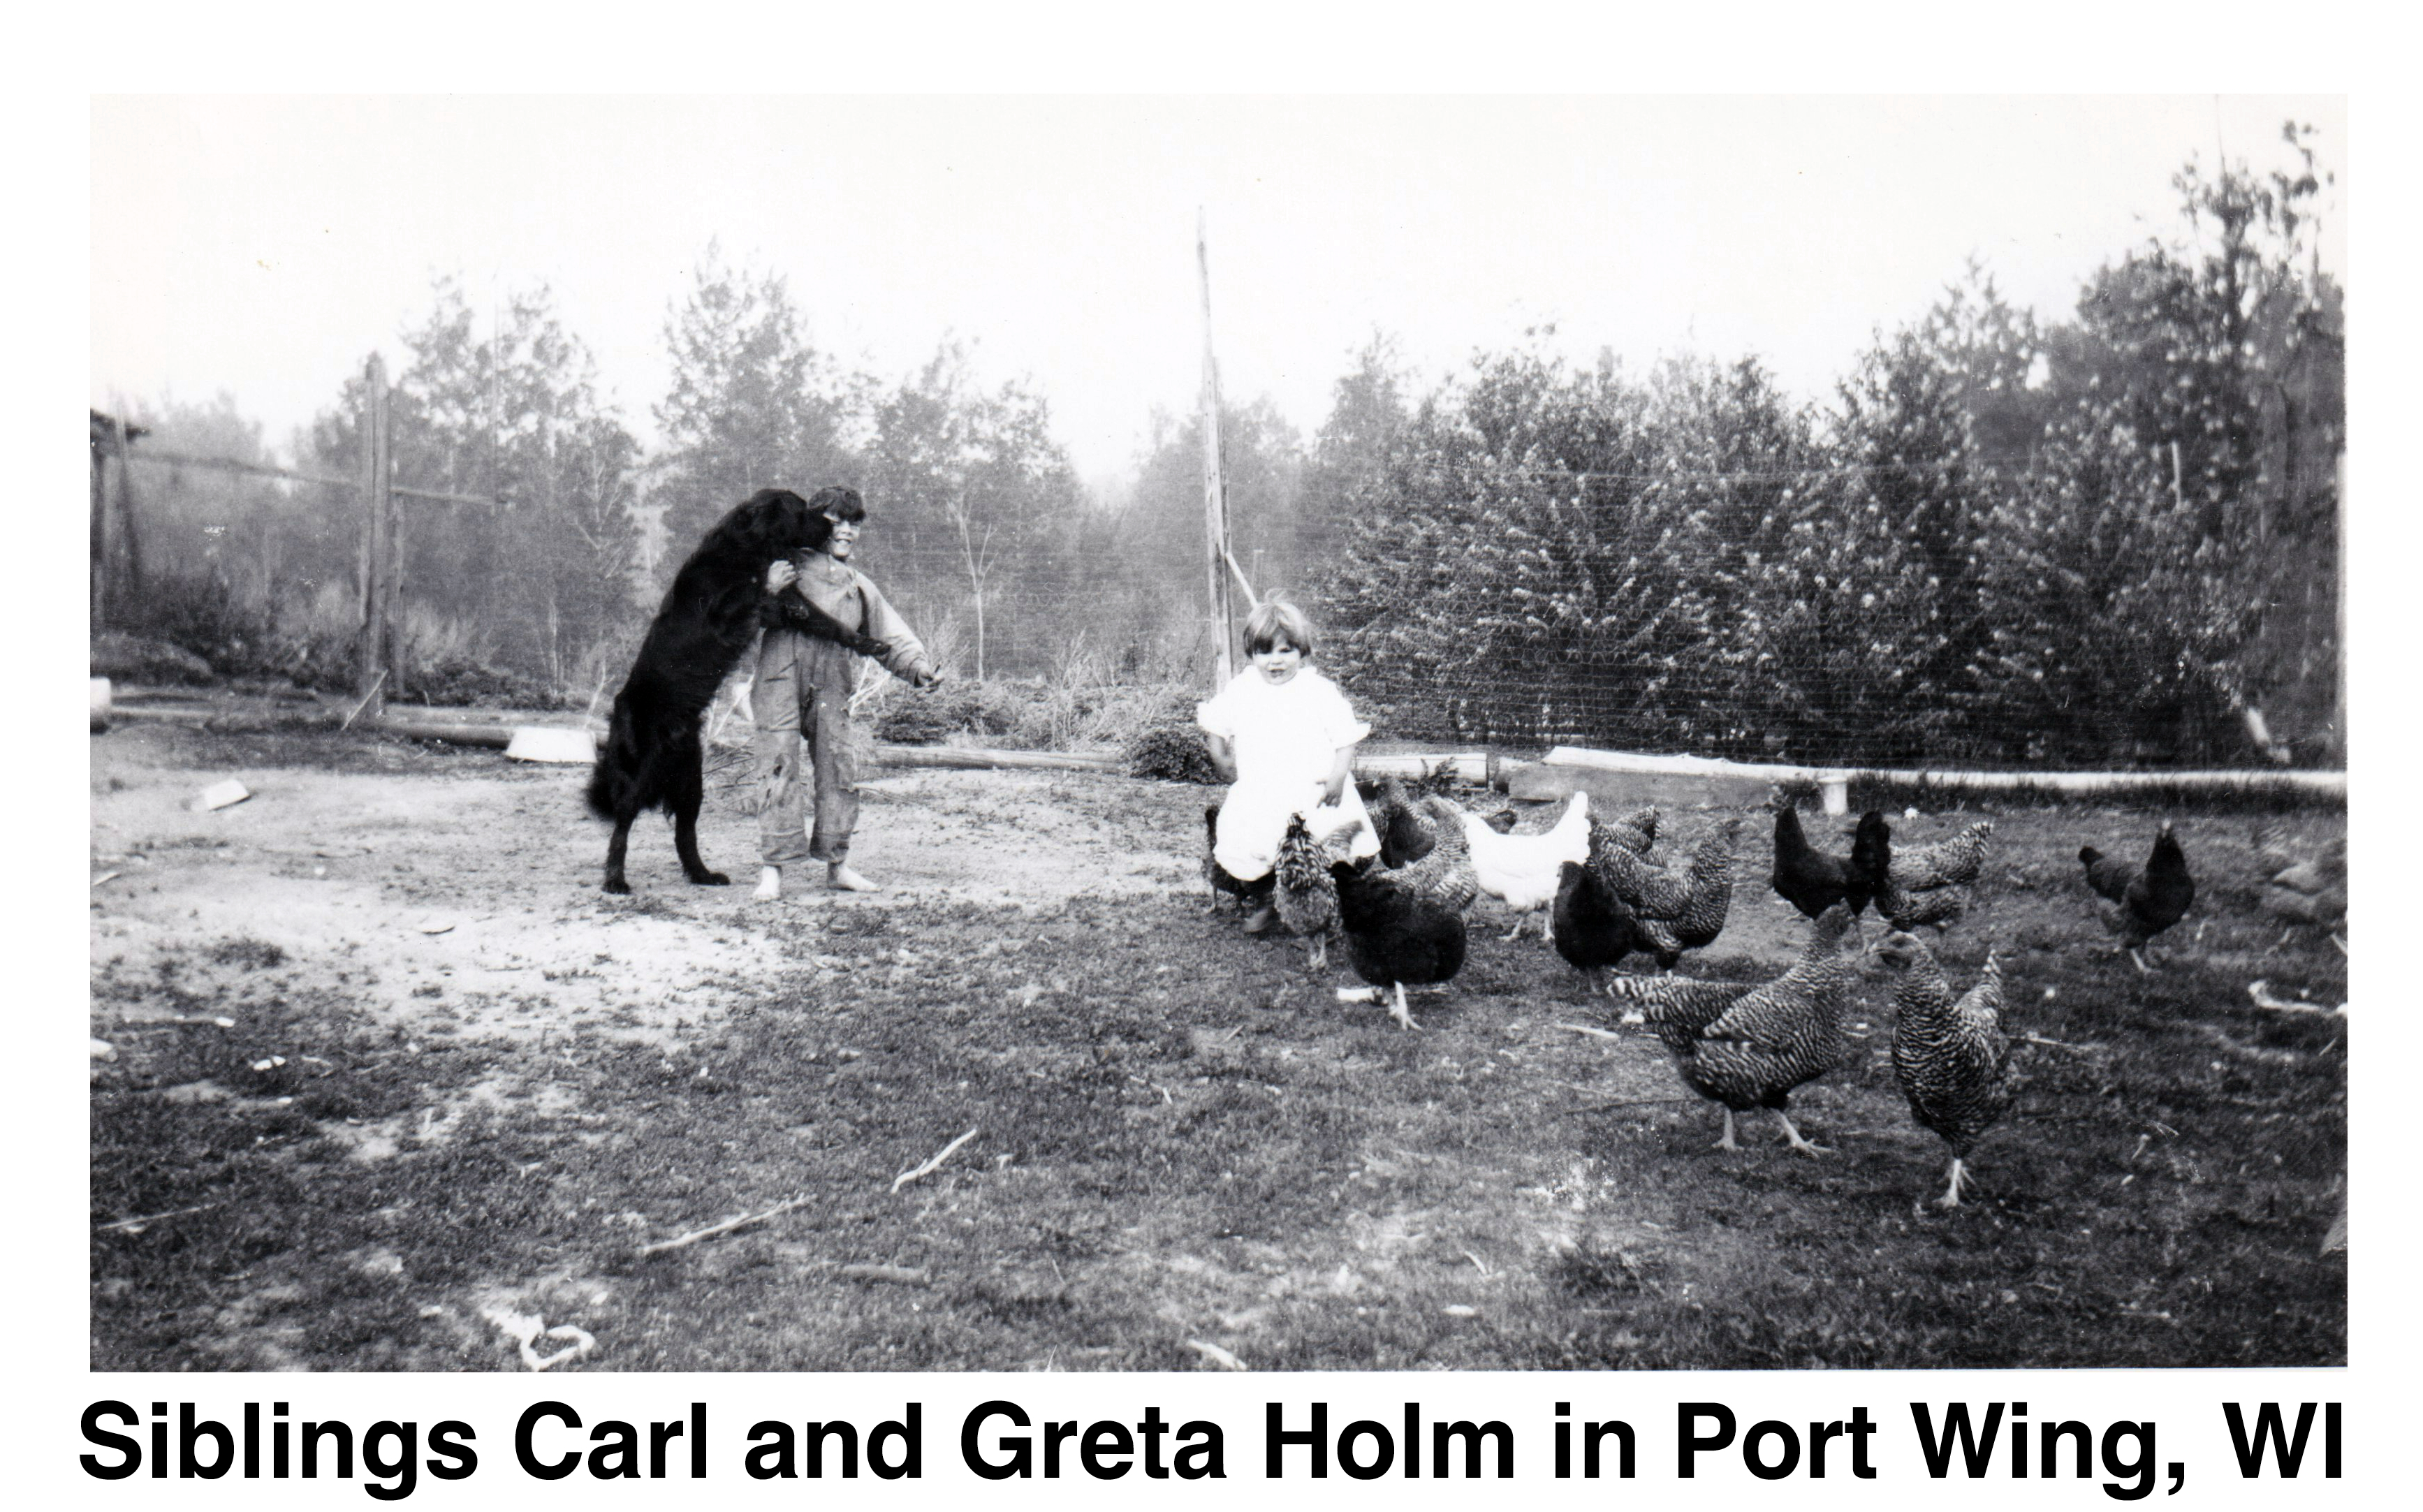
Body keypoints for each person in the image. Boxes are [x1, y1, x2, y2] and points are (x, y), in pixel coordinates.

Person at [750, 485, 942, 901]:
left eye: (854, 522)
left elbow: (889, 632)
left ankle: (837, 865)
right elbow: (735, 616)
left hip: (833, 680)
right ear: (817, 523)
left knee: (838, 765)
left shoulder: (859, 586)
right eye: (837, 521)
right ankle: (773, 869)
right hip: (779, 676)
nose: (847, 530)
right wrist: (764, 589)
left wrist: (918, 668)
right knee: (778, 763)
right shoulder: (782, 567)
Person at [1196, 599, 1382, 933]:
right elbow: (1215, 721)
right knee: (1253, 843)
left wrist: (1339, 776)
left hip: (1311, 789)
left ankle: (1326, 909)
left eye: (1285, 651)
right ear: (1252, 654)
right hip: (1262, 790)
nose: (1275, 661)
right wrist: (1221, 757)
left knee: (1322, 847)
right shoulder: (1244, 688)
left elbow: (1345, 736)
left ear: (1302, 651)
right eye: (1265, 652)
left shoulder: (1317, 690)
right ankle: (1270, 901)